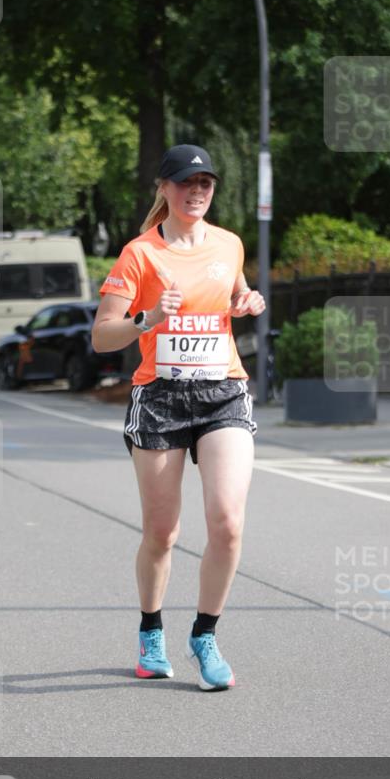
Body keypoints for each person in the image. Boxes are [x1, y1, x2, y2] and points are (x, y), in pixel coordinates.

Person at [91, 144, 266, 691]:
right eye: (186, 183)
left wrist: (248, 301)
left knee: (228, 523)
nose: (197, 192)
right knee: (162, 532)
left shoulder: (229, 244)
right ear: (164, 188)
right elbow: (101, 336)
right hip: (160, 398)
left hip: (223, 393)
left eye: (205, 183)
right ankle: (151, 632)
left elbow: (237, 293)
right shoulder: (139, 254)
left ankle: (205, 636)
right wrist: (147, 318)